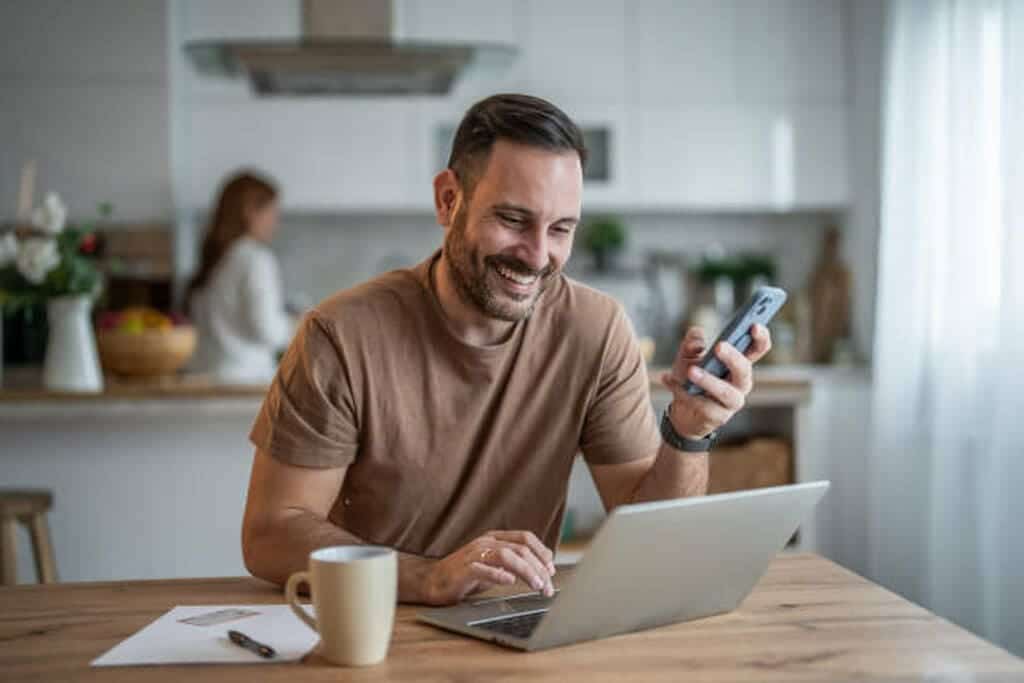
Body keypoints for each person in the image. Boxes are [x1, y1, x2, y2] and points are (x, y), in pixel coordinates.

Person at [242, 94, 772, 606]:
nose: (537, 256)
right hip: (377, 624)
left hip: (516, 627)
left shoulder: (596, 329)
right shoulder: (340, 334)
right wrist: (429, 577)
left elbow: (656, 545)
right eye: (513, 220)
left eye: (561, 229)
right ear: (449, 200)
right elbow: (270, 534)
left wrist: (688, 431)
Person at [186, 171, 294, 384]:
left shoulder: (215, 258)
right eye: (272, 212)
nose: (275, 222)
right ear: (250, 211)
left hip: (206, 377)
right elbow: (266, 328)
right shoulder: (256, 259)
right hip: (246, 382)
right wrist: (295, 327)